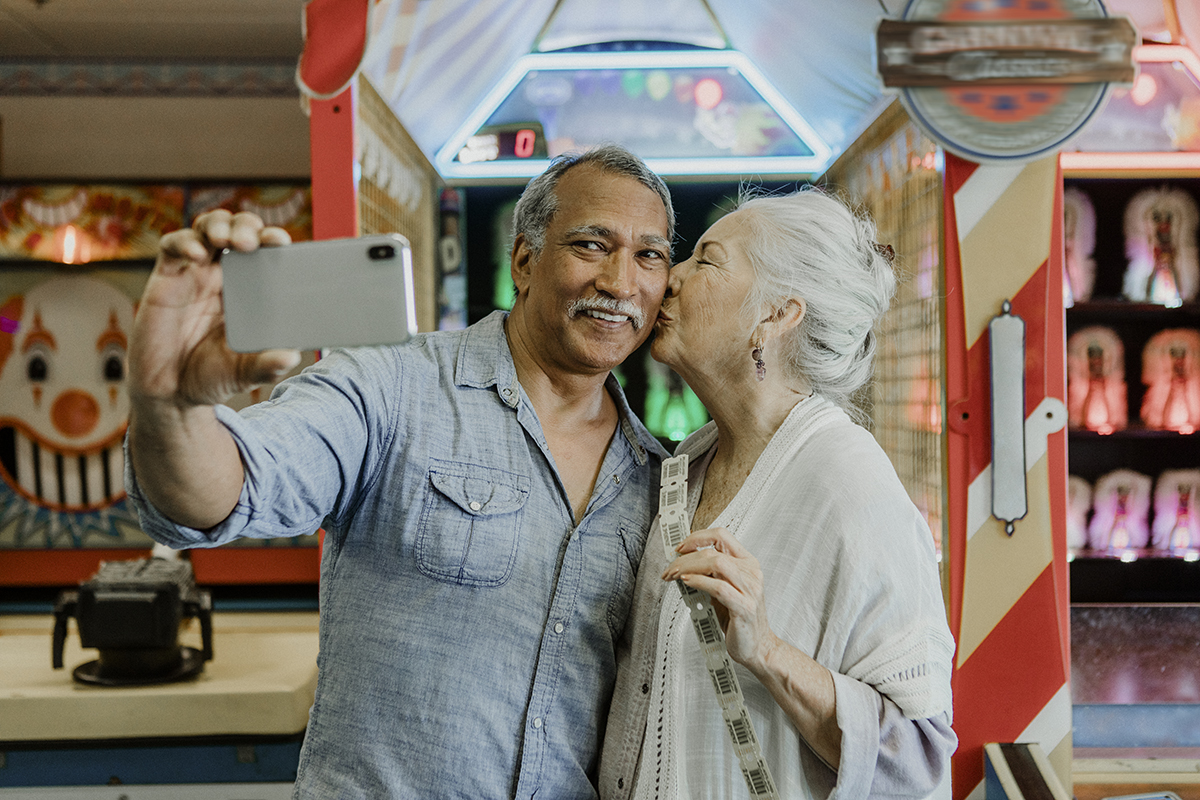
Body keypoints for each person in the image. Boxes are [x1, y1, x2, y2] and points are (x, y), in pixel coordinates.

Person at [125, 145, 675, 798]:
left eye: (651, 255)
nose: (621, 282)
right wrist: (171, 406)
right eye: (591, 245)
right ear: (524, 260)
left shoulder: (657, 479)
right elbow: (232, 488)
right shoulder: (391, 384)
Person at [599, 188, 957, 799]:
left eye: (706, 260)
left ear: (776, 314)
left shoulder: (849, 483)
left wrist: (766, 649)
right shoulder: (689, 461)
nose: (671, 276)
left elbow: (918, 760)